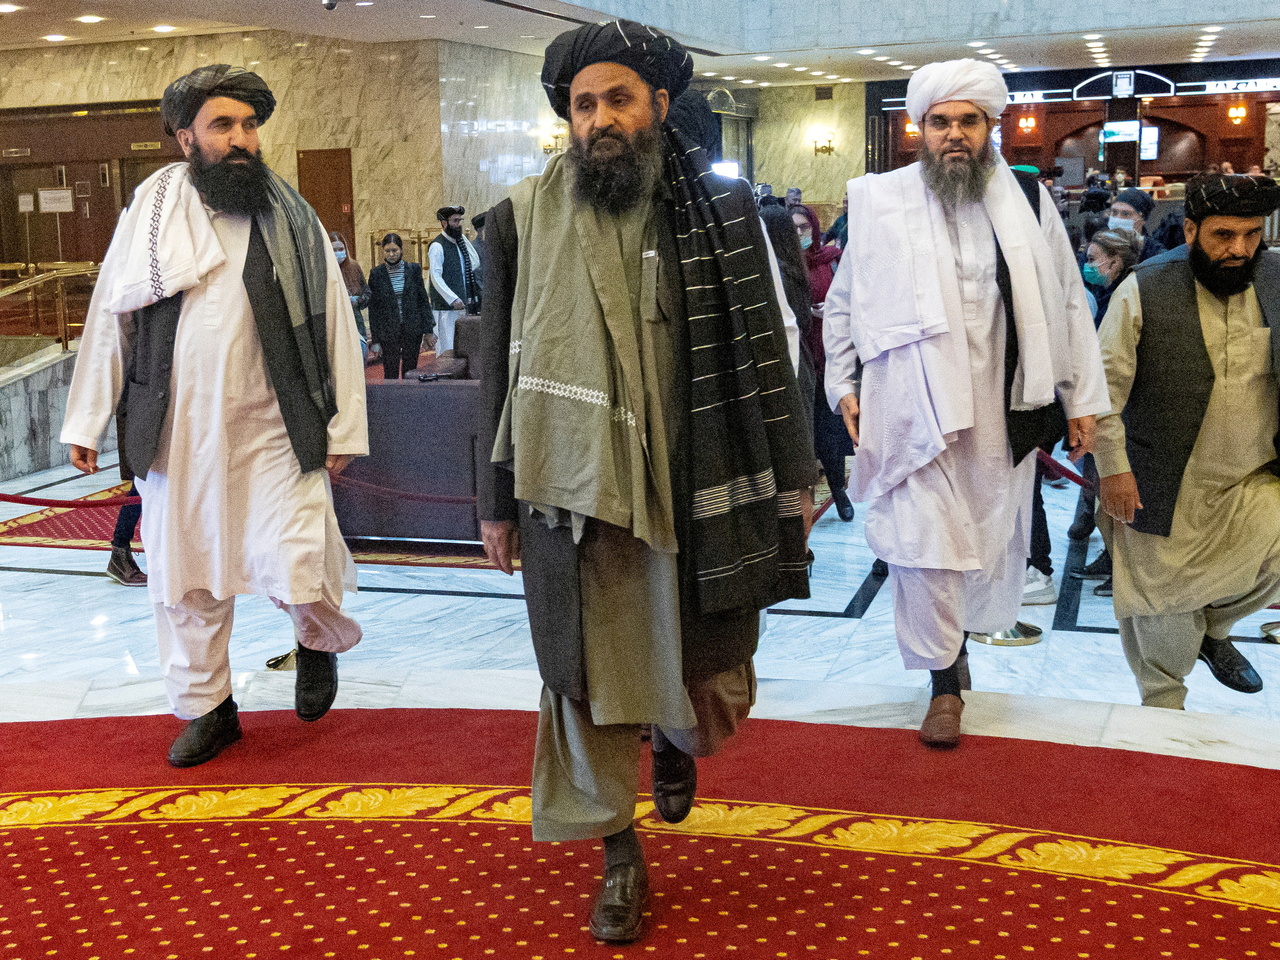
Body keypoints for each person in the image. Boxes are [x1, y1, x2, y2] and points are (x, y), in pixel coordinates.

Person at [478, 20, 814, 944]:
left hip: (701, 480)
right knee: (584, 683)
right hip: (573, 499)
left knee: (711, 678)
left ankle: (673, 737)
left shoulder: (727, 216)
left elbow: (775, 352)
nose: (600, 120)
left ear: (659, 105)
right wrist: (494, 503)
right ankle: (618, 854)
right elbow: (495, 373)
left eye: (618, 99)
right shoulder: (517, 219)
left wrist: (797, 475)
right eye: (584, 105)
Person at [60, 64, 368, 767]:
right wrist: (86, 419)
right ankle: (210, 709)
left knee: (297, 556)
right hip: (177, 436)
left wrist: (345, 426)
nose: (241, 139)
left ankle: (316, 641)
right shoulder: (149, 218)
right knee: (185, 581)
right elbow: (112, 317)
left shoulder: (292, 217)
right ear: (185, 139)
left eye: (249, 125)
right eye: (222, 125)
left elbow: (336, 329)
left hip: (276, 429)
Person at [823, 59, 1109, 747]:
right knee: (922, 545)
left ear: (990, 127)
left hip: (1004, 407)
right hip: (908, 406)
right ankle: (943, 683)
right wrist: (844, 384)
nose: (954, 134)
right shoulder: (880, 202)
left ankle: (958, 646)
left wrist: (1081, 398)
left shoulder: (1028, 201)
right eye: (940, 122)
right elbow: (845, 302)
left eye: (968, 121)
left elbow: (1068, 303)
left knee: (985, 542)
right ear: (920, 130)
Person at [1095, 173, 1280, 709]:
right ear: (1191, 230)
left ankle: (1213, 631)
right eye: (1224, 235)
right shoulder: (1144, 287)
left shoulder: (1275, 278)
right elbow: (1101, 390)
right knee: (1163, 624)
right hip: (1164, 482)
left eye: (1252, 233)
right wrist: (1113, 469)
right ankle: (1163, 715)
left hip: (1251, 477)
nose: (1239, 248)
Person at [1068, 227, 1144, 565]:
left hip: (1116, 410)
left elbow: (1109, 368)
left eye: (1093, 260)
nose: (1088, 266)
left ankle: (1114, 561)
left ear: (1114, 261)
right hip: (1106, 406)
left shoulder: (1125, 295)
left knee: (1108, 488)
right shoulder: (1110, 293)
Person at [794, 203, 853, 521]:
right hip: (799, 361)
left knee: (829, 433)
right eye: (793, 228)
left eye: (804, 227)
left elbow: (849, 299)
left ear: (815, 228)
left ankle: (839, 492)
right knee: (804, 435)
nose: (799, 233)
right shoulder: (784, 264)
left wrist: (830, 311)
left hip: (829, 359)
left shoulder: (831, 260)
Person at [367, 232, 433, 380]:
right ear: (383, 251)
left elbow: (423, 301)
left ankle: (410, 394)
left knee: (410, 370)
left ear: (401, 250)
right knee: (390, 370)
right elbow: (374, 309)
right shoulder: (376, 273)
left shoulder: (414, 269)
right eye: (387, 250)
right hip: (388, 330)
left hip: (412, 328)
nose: (391, 254)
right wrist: (375, 340)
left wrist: (428, 329)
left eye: (394, 250)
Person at [427, 206, 481, 354]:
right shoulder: (437, 246)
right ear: (444, 223)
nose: (458, 225)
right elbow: (435, 277)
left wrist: (462, 238)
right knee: (447, 349)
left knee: (462, 348)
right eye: (455, 221)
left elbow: (475, 262)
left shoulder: (458, 243)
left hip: (462, 305)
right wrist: (452, 298)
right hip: (446, 308)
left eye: (459, 221)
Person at [330, 231, 371, 363]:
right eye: (334, 250)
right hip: (335, 325)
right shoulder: (323, 269)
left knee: (359, 360)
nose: (338, 253)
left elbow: (367, 292)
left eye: (341, 249)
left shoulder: (353, 267)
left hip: (356, 323)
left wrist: (357, 300)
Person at [1108, 187, 1165, 263]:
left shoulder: (1156, 255)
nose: (1118, 218)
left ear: (1143, 218)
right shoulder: (1100, 247)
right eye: (1114, 212)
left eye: (1125, 214)